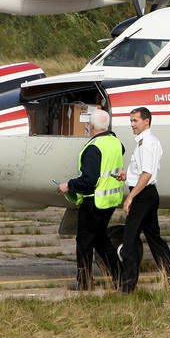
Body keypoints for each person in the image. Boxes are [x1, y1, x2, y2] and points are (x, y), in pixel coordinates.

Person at [57, 108, 126, 291]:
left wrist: (69, 185)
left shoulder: (93, 148)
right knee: (101, 240)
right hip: (110, 201)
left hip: (94, 201)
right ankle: (120, 278)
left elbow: (89, 180)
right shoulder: (116, 143)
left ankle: (85, 282)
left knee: (84, 242)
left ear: (91, 126)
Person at [115, 107, 170, 293]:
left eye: (135, 121)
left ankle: (128, 287)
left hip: (143, 196)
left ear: (147, 121)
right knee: (155, 240)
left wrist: (130, 197)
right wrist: (127, 174)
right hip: (148, 194)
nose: (132, 125)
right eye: (131, 121)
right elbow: (142, 171)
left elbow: (147, 174)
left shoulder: (146, 144)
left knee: (129, 240)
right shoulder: (147, 142)